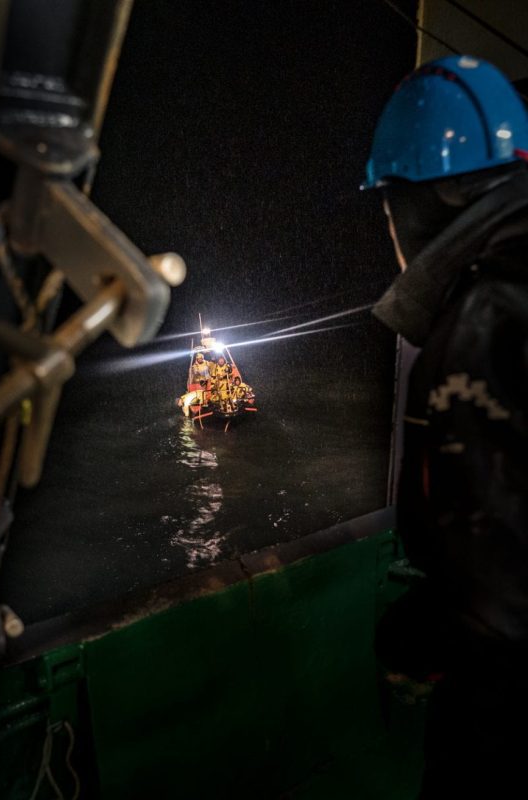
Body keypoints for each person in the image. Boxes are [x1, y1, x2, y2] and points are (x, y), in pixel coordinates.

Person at [363, 55, 528, 799]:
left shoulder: (485, 326)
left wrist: (419, 633)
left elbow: (504, 605)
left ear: (419, 202)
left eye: (390, 204)